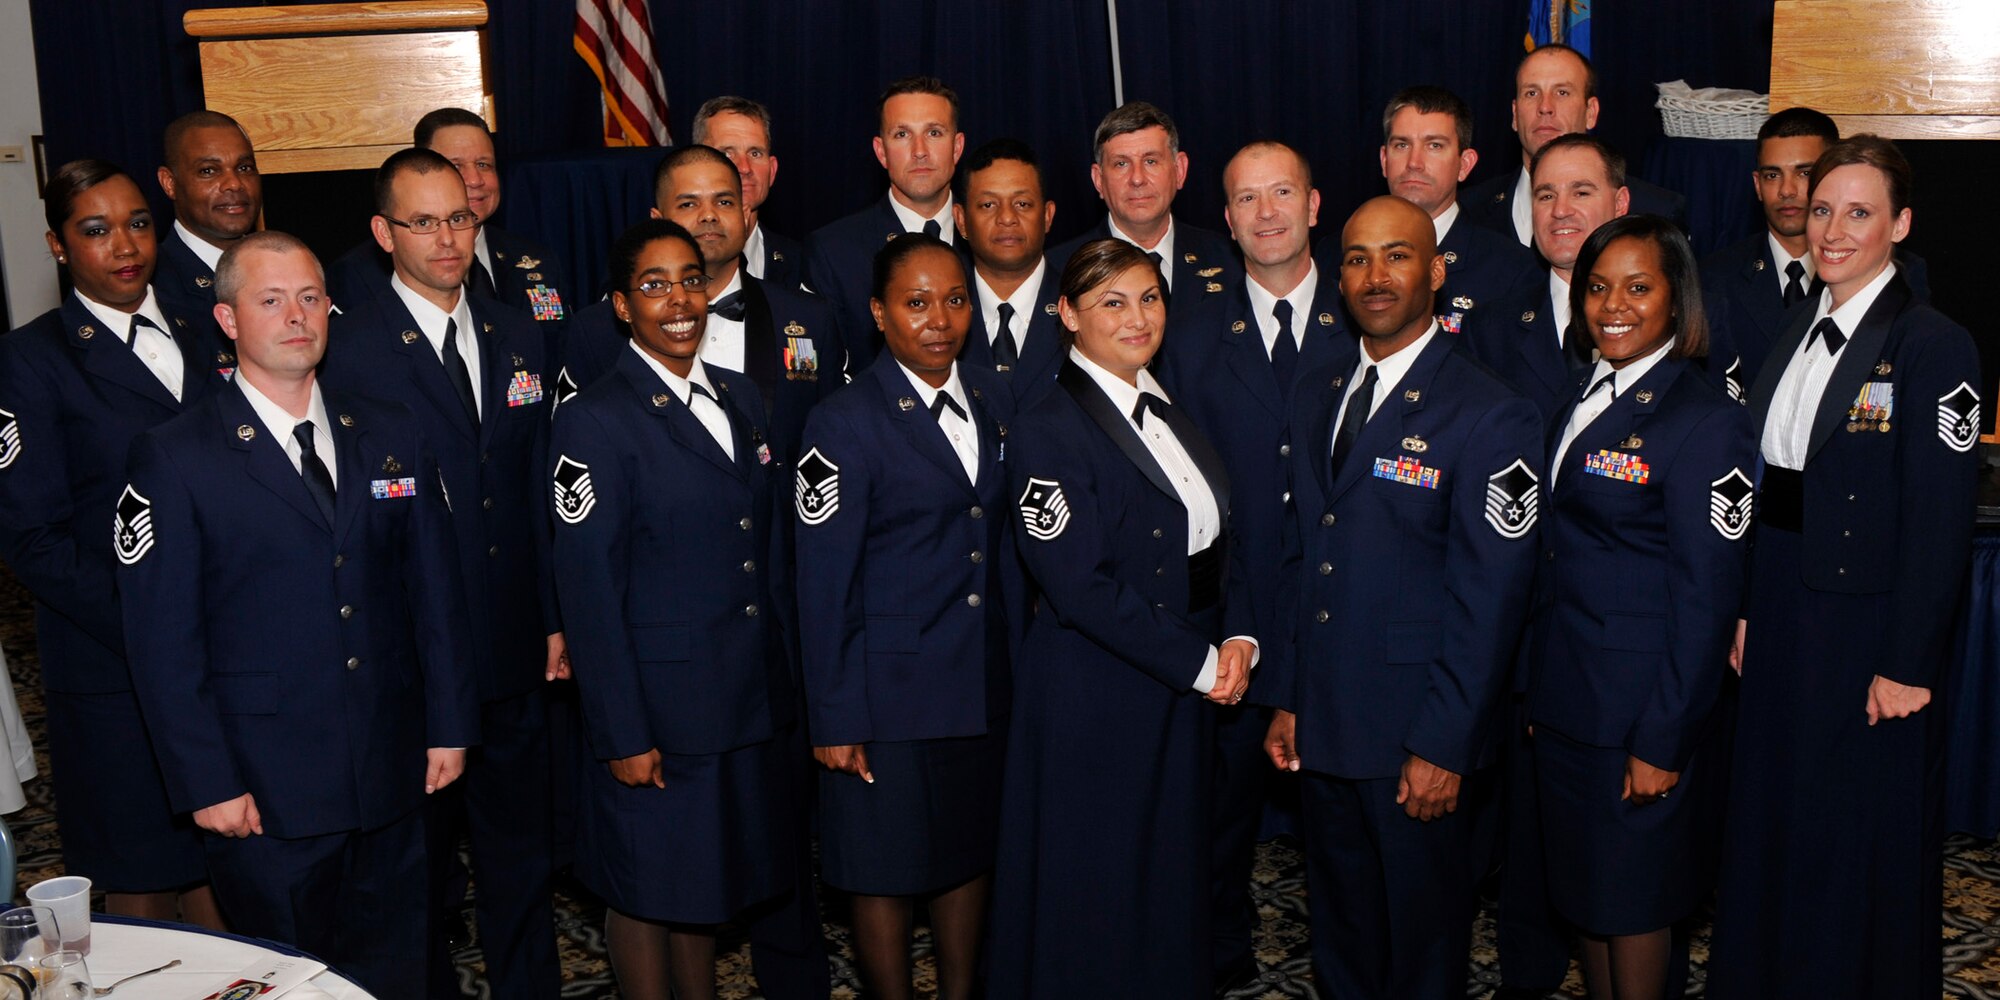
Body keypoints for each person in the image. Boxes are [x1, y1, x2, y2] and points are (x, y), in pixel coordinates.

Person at [117, 231, 479, 995]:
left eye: (310, 297)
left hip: (393, 769)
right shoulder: (177, 455)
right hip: (265, 791)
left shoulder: (389, 431)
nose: (296, 316)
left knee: (402, 972)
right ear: (228, 320)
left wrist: (449, 723)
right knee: (289, 980)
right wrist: (206, 781)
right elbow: (163, 643)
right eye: (271, 299)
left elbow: (435, 597)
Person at [1712, 135, 1980, 1000]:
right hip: (1786, 606)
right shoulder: (1801, 322)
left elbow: (1940, 521)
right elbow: (1772, 486)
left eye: (1858, 212)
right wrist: (1750, 607)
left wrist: (1908, 663)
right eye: (1823, 209)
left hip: (1866, 626)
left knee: (1851, 835)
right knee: (1775, 820)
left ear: (1899, 224)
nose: (1831, 229)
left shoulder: (1934, 344)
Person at [1263, 196, 1541, 1000]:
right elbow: (1302, 559)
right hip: (1326, 725)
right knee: (1343, 938)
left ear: (1436, 271)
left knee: (1422, 951)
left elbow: (1490, 599)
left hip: (1417, 735)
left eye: (1397, 255)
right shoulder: (1319, 392)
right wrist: (1287, 697)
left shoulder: (1490, 411)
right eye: (1356, 258)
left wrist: (1445, 745)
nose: (1374, 276)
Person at [549, 218, 825, 1000]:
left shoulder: (738, 394)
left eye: (690, 280)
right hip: (659, 712)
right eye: (654, 285)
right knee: (644, 896)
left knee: (704, 897)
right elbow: (590, 592)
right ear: (619, 306)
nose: (679, 301)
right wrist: (622, 732)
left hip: (740, 699)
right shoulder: (593, 421)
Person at [317, 146, 562, 1000]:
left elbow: (537, 489)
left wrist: (555, 616)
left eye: (459, 216)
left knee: (521, 853)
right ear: (385, 233)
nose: (447, 237)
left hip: (513, 642)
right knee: (414, 870)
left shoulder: (517, 329)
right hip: (411, 660)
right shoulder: (344, 352)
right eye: (423, 221)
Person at [988, 238, 1256, 999]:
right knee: (1101, 885)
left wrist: (1240, 632)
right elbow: (1080, 588)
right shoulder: (1047, 427)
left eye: (1149, 297)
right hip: (1099, 692)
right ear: (1068, 315)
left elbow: (1215, 539)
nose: (1137, 317)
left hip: (1178, 679)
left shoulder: (1165, 403)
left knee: (1166, 872)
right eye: (1112, 301)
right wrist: (1204, 664)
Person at [1525, 214, 1753, 1000]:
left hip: (1638, 716)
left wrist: (1664, 736)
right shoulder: (1583, 395)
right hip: (1566, 704)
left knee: (1636, 904)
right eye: (1596, 286)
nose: (1612, 304)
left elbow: (1706, 597)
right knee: (1585, 896)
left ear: (1675, 299)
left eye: (1637, 286)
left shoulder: (1704, 421)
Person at [0, 159, 228, 928]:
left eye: (136, 222)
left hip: (227, 648)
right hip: (114, 662)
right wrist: (155, 622)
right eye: (94, 230)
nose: (123, 245)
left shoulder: (208, 329)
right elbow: (32, 540)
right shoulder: (32, 361)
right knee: (143, 878)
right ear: (58, 246)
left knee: (223, 861)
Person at [795, 233, 1021, 1000]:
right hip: (883, 695)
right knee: (883, 870)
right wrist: (833, 717)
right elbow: (823, 584)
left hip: (978, 682)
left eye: (955, 300)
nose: (938, 320)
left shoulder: (994, 396)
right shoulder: (842, 422)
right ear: (879, 314)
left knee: (966, 855)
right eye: (916, 303)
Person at [1154, 139, 1342, 994]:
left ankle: (1348, 969)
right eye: (1246, 199)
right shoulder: (1185, 336)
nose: (1266, 212)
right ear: (1224, 220)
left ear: (1313, 205)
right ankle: (1219, 963)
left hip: (1345, 620)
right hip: (1233, 615)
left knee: (1344, 827)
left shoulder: (1369, 312)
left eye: (1282, 193)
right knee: (1217, 824)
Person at [557, 144, 843, 467]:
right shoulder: (598, 331)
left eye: (724, 201)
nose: (709, 215)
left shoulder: (810, 319)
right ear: (658, 219)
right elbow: (579, 455)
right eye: (689, 203)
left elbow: (837, 447)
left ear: (746, 216)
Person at [1700, 107, 1932, 389]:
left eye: (1805, 173)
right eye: (1772, 175)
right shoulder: (1715, 275)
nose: (1787, 190)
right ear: (1757, 185)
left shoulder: (1896, 272)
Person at [327, 109, 573, 331]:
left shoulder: (537, 262)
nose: (475, 179)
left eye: (483, 164)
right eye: (455, 165)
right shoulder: (357, 275)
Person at [1333, 85, 1539, 346]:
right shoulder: (1334, 254)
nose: (1414, 162)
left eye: (1434, 145)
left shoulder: (1511, 269)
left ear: (1465, 164)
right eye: (1402, 145)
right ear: (1384, 160)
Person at [1470, 132, 1632, 424]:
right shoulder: (1488, 330)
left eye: (1581, 193)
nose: (1559, 211)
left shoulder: (1672, 321)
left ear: (1620, 204)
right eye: (1546, 196)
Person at [805, 76, 965, 369]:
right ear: (881, 152)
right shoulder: (835, 251)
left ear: (957, 147)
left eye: (934, 133)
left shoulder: (987, 240)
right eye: (902, 134)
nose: (919, 150)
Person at [1461, 43, 1687, 245]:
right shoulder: (1468, 209)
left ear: (1591, 112)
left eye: (1562, 92)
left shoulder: (1656, 211)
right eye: (1531, 93)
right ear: (1514, 114)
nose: (1545, 107)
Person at [1048, 102, 1238, 303]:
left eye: (1151, 161)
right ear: (1098, 180)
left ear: (1179, 171)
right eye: (1121, 164)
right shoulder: (1057, 271)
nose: (1137, 179)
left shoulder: (1230, 260)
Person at [951, 138, 1064, 404]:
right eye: (988, 205)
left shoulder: (1085, 308)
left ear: (1047, 216)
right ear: (961, 220)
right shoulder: (941, 314)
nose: (1007, 218)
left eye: (1022, 204)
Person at [153, 110, 262, 315]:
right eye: (208, 171)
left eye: (245, 168)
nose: (234, 184)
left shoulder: (284, 266)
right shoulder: (153, 288)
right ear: (170, 183)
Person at [691, 96, 802, 288]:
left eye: (755, 153)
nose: (744, 167)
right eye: (727, 153)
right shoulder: (663, 262)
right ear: (695, 164)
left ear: (772, 171)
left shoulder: (803, 264)